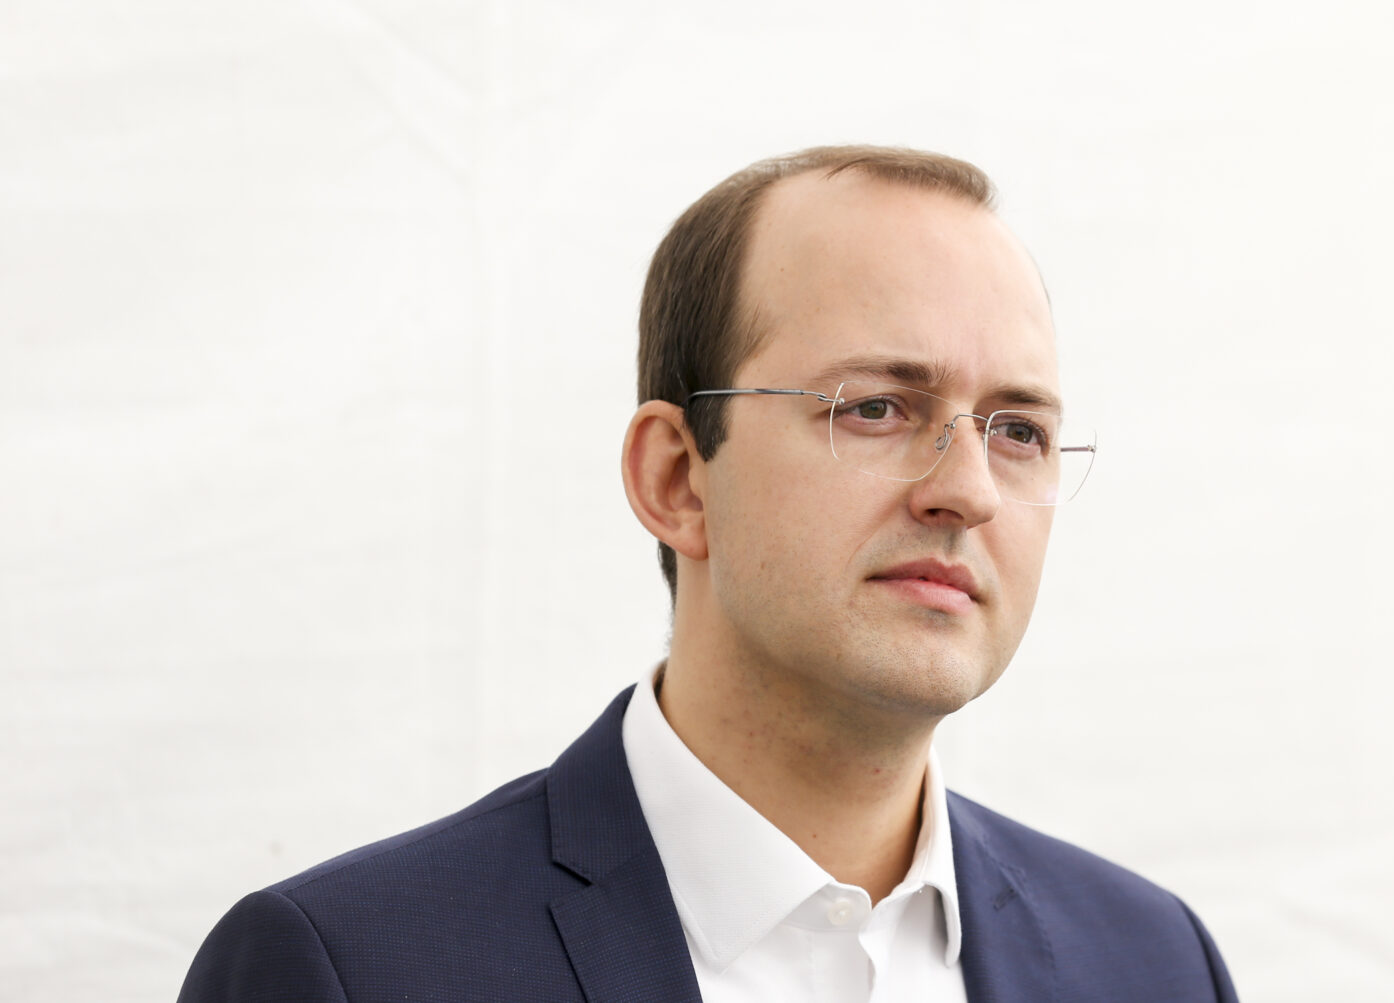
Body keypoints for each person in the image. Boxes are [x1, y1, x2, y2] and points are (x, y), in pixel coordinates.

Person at [179, 146, 1238, 1001]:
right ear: (678, 479)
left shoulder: (1155, 966)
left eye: (1018, 430)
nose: (967, 489)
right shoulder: (353, 970)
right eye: (876, 407)